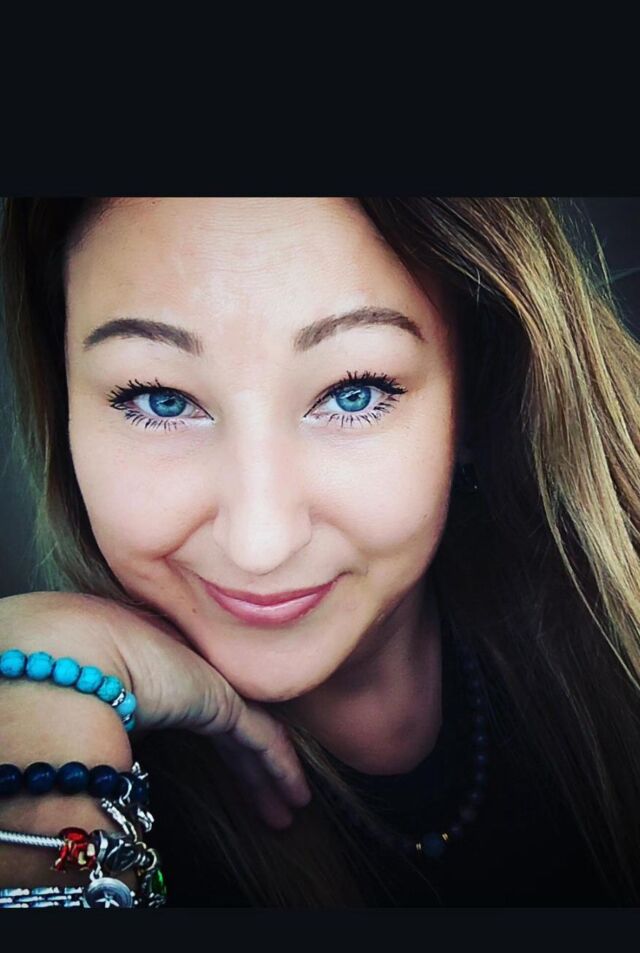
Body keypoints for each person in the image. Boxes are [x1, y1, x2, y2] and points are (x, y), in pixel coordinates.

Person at [0, 197, 639, 908]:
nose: (261, 544)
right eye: (161, 400)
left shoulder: (618, 647)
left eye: (353, 392)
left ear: (476, 394)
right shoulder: (60, 773)